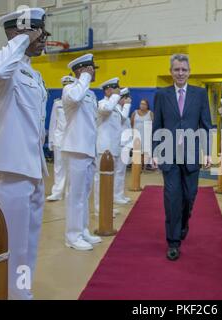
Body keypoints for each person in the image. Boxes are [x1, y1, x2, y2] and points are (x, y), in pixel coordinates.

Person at [0, 7, 50, 300]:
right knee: (13, 244)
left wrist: (27, 38)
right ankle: (12, 294)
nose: (44, 38)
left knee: (28, 244)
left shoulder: (32, 72)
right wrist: (22, 39)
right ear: (18, 33)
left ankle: (21, 291)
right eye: (39, 33)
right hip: (8, 169)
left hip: (32, 168)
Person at [152, 54, 213, 261]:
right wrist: (154, 151)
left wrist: (207, 152)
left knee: (189, 196)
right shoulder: (162, 95)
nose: (180, 73)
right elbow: (157, 126)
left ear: (189, 71)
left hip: (191, 154)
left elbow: (206, 125)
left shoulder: (199, 94)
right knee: (171, 198)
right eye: (176, 69)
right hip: (168, 154)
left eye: (184, 70)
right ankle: (173, 241)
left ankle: (184, 221)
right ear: (171, 72)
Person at [61, 53, 102, 251]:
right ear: (81, 69)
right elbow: (75, 97)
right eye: (91, 69)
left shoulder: (91, 94)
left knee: (84, 194)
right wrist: (83, 77)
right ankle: (72, 235)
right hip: (76, 148)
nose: (94, 73)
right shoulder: (70, 89)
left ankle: (83, 230)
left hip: (88, 149)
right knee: (75, 195)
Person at [94, 77, 132, 214]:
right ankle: (100, 208)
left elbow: (123, 118)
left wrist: (122, 102)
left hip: (114, 147)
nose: (119, 92)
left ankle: (107, 206)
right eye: (116, 89)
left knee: (110, 179)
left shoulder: (114, 107)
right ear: (109, 90)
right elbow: (107, 109)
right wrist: (116, 96)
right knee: (100, 180)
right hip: (104, 148)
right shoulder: (102, 104)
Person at [46, 76, 75, 201]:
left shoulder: (76, 102)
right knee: (59, 167)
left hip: (73, 140)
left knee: (71, 167)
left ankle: (70, 192)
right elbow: (53, 122)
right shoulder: (57, 103)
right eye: (64, 86)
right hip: (59, 138)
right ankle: (57, 192)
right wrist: (51, 140)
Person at [131, 99, 154, 170]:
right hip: (137, 135)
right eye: (141, 104)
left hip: (147, 135)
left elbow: (154, 124)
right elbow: (131, 124)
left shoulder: (150, 113)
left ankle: (145, 167)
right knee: (137, 151)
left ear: (147, 106)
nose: (142, 105)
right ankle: (138, 167)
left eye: (144, 104)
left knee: (146, 151)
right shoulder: (134, 113)